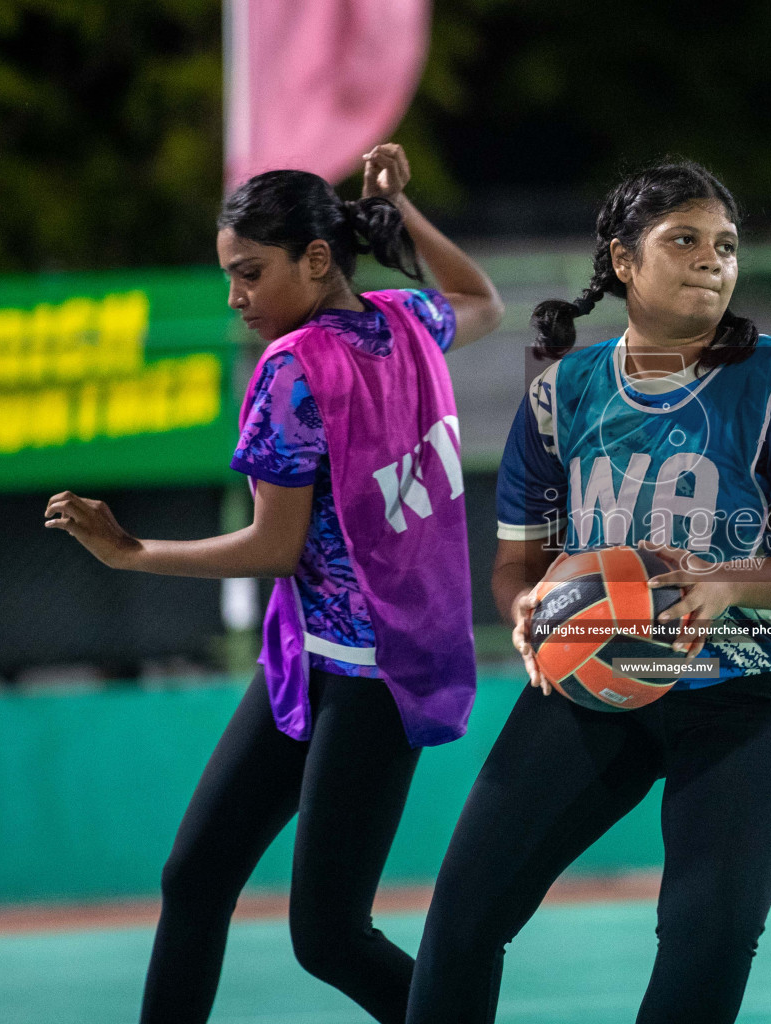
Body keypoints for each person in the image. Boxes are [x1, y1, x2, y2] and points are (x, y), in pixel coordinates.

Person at [402, 160, 771, 1024]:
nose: (710, 260)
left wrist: (731, 583)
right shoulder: (562, 393)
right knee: (463, 918)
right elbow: (518, 563)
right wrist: (524, 609)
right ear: (622, 260)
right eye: (684, 240)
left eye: (725, 246)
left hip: (755, 693)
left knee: (705, 939)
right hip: (591, 682)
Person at [43, 144, 504, 1024]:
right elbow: (483, 300)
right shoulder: (409, 319)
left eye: (249, 273)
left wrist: (132, 552)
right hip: (326, 658)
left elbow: (273, 546)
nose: (235, 297)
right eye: (229, 276)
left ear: (317, 259)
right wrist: (400, 211)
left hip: (369, 677)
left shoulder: (294, 369)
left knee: (327, 935)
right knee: (197, 875)